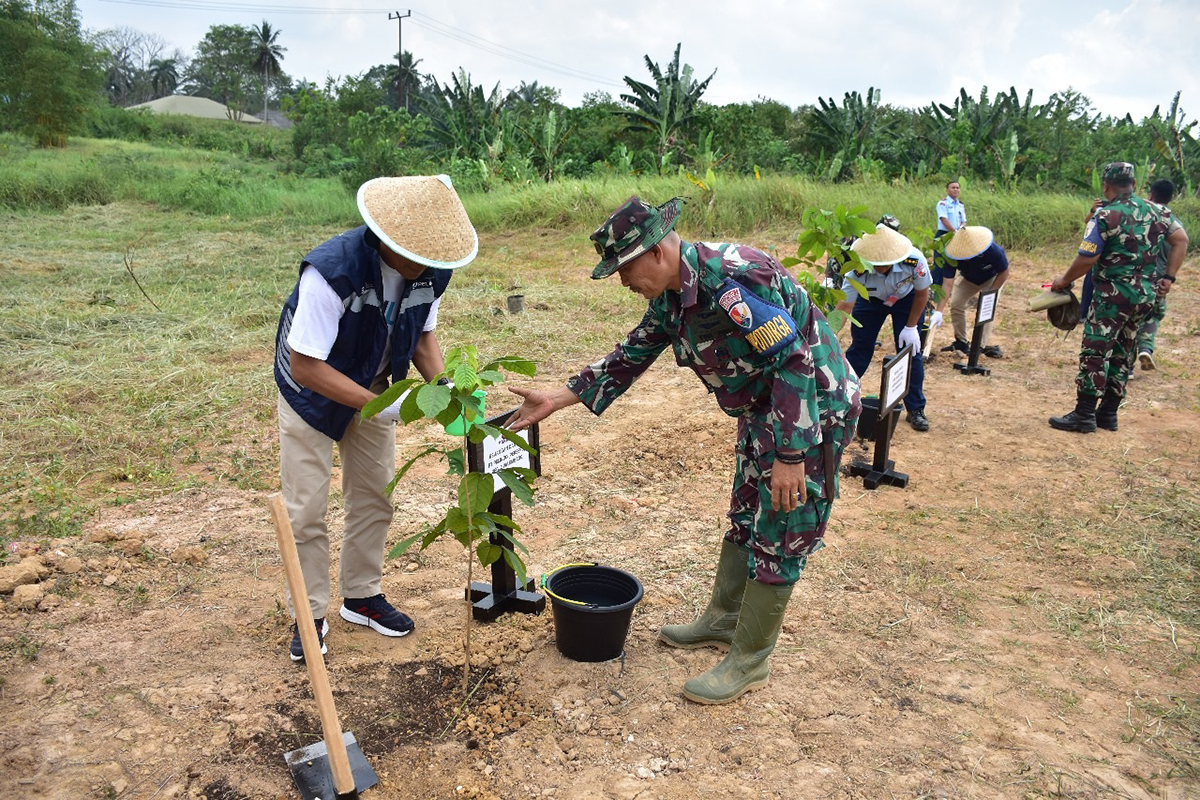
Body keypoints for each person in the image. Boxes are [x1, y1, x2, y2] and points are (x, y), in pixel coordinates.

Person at [505, 197, 861, 705]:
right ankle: (724, 617)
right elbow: (632, 353)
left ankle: (750, 660)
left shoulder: (734, 282)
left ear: (655, 252)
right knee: (745, 512)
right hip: (766, 410)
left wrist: (790, 457)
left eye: (625, 270)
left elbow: (794, 363)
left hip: (809, 412)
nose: (624, 283)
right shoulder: (674, 296)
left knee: (783, 526)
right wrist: (560, 398)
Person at [273, 175, 478, 660]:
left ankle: (362, 596)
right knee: (306, 510)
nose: (428, 264)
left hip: (375, 383)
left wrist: (446, 390)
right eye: (420, 253)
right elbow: (305, 364)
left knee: (375, 495)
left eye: (436, 256)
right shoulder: (331, 272)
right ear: (388, 240)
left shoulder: (432, 272)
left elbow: (424, 338)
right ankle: (310, 613)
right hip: (311, 392)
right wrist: (378, 403)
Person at [1048, 162, 1185, 433]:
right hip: (1145, 296)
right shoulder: (1158, 211)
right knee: (1125, 350)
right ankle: (1108, 414)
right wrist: (1168, 277)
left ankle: (1085, 414)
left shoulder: (1106, 216)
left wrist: (1064, 281)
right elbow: (1181, 240)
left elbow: (1088, 257)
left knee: (1095, 350)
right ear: (1134, 184)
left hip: (1112, 296)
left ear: (1106, 185)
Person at [834, 223, 933, 431]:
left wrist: (911, 326)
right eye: (874, 264)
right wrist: (827, 334)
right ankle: (841, 400)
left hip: (906, 300)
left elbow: (922, 294)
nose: (878, 268)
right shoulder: (856, 270)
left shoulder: (914, 260)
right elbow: (844, 306)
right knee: (860, 348)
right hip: (870, 301)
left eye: (883, 264)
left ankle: (915, 409)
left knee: (910, 353)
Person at [1136, 179, 1189, 371]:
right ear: (1172, 197)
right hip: (1159, 278)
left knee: (1131, 318)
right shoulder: (1174, 224)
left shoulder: (1139, 217)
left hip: (1136, 277)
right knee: (1153, 315)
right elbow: (1181, 245)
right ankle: (1146, 348)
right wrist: (1170, 277)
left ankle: (1125, 363)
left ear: (1151, 195)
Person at [934, 226, 1009, 358]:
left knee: (985, 309)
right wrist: (939, 311)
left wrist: (990, 293)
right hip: (967, 278)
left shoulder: (993, 250)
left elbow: (1004, 272)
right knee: (956, 304)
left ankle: (979, 347)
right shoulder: (952, 254)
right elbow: (947, 283)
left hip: (992, 278)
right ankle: (961, 342)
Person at [932, 180, 966, 286]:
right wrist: (954, 231)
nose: (956, 189)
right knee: (940, 261)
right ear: (947, 190)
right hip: (944, 234)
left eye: (957, 187)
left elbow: (964, 220)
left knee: (952, 260)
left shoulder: (960, 205)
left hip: (957, 235)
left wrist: (960, 230)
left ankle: (947, 286)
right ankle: (935, 286)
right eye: (953, 187)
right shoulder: (943, 203)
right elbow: (943, 219)